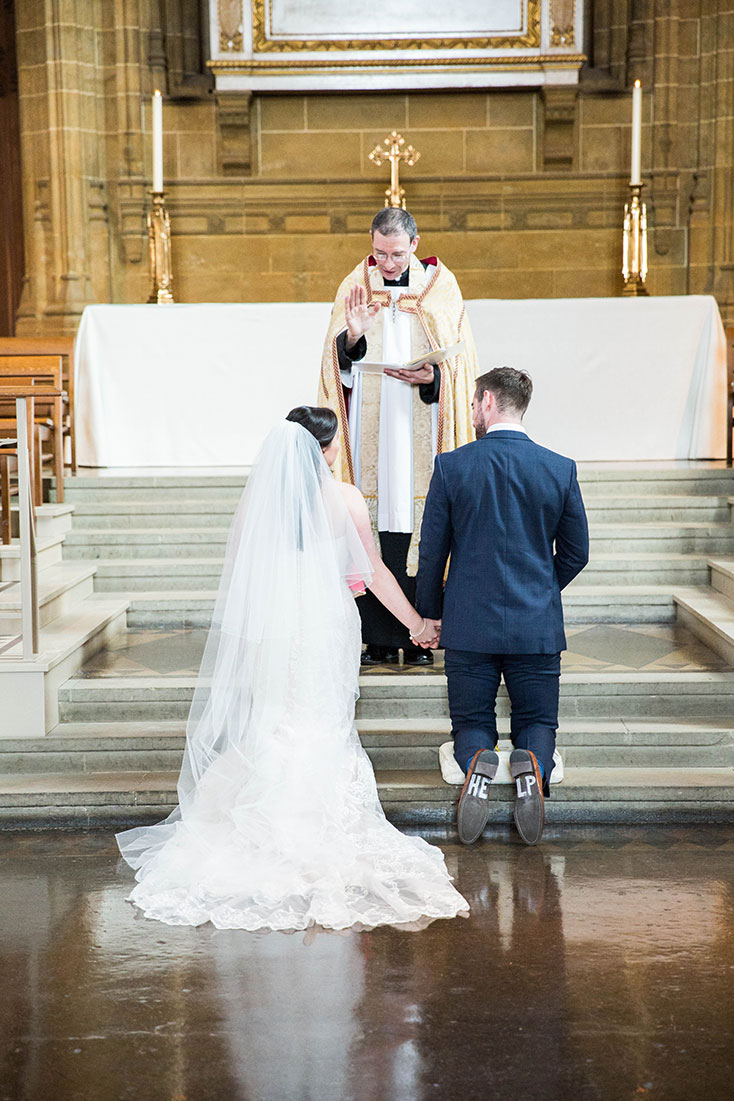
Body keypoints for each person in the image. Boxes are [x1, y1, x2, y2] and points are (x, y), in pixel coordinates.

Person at [116, 406, 469, 931]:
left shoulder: (261, 502)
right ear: (324, 450)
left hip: (279, 626)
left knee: (277, 717)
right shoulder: (345, 498)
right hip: (326, 622)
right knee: (323, 722)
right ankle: (317, 827)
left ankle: (266, 824)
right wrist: (417, 623)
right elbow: (371, 573)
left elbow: (240, 570)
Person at [415, 368, 589, 846]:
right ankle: (533, 767)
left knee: (471, 721)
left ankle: (476, 765)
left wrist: (431, 614)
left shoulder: (453, 466)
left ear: (488, 402)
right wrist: (539, 590)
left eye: (473, 403)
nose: (472, 411)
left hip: (468, 624)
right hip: (536, 626)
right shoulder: (559, 467)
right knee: (537, 721)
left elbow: (432, 552)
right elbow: (577, 552)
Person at [317, 207, 478, 667]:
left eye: (396, 254)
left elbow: (461, 366)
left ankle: (419, 636)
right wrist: (351, 339)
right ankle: (378, 637)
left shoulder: (439, 287)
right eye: (379, 253)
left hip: (420, 425)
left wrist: (434, 377)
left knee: (417, 522)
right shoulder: (355, 286)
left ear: (414, 243)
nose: (387, 264)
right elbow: (333, 365)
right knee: (370, 523)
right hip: (370, 427)